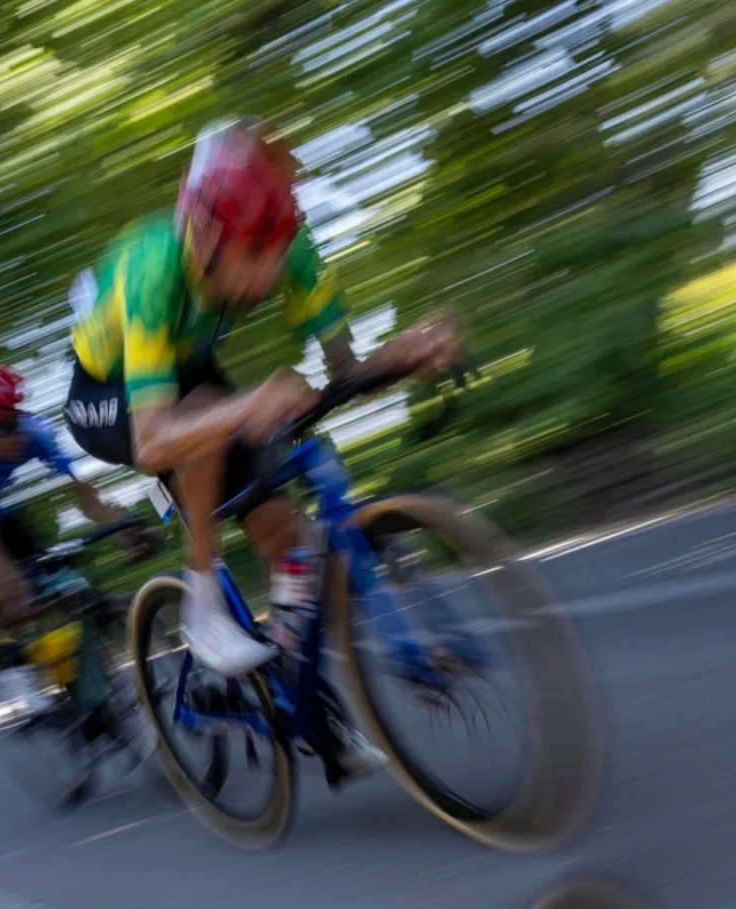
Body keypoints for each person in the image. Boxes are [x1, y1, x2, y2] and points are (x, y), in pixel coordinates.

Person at [63, 117, 462, 775]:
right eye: (251, 261)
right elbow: (156, 436)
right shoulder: (152, 263)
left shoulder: (287, 245)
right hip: (105, 388)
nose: (264, 277)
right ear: (204, 236)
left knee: (286, 532)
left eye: (274, 255)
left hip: (186, 372)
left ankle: (303, 701)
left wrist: (403, 357)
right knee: (206, 420)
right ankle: (201, 605)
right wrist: (246, 406)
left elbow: (346, 372)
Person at [0, 363, 144, 712]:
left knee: (59, 580)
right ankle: (10, 667)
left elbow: (83, 491)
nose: (13, 437)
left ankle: (86, 673)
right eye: (0, 430)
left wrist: (124, 526)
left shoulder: (34, 432)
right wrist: (8, 582)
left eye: (14, 423)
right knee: (8, 590)